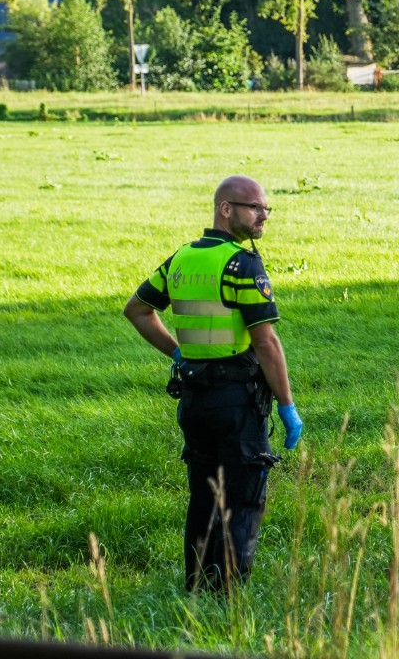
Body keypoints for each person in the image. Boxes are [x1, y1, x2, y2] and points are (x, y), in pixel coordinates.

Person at [122, 175, 304, 592]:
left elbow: (137, 310)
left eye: (265, 209)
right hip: (237, 403)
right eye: (254, 207)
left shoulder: (181, 258)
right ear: (226, 209)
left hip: (195, 401)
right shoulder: (242, 264)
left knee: (203, 500)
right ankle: (227, 598)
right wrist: (287, 406)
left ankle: (197, 588)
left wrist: (178, 353)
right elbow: (266, 340)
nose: (263, 215)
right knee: (241, 500)